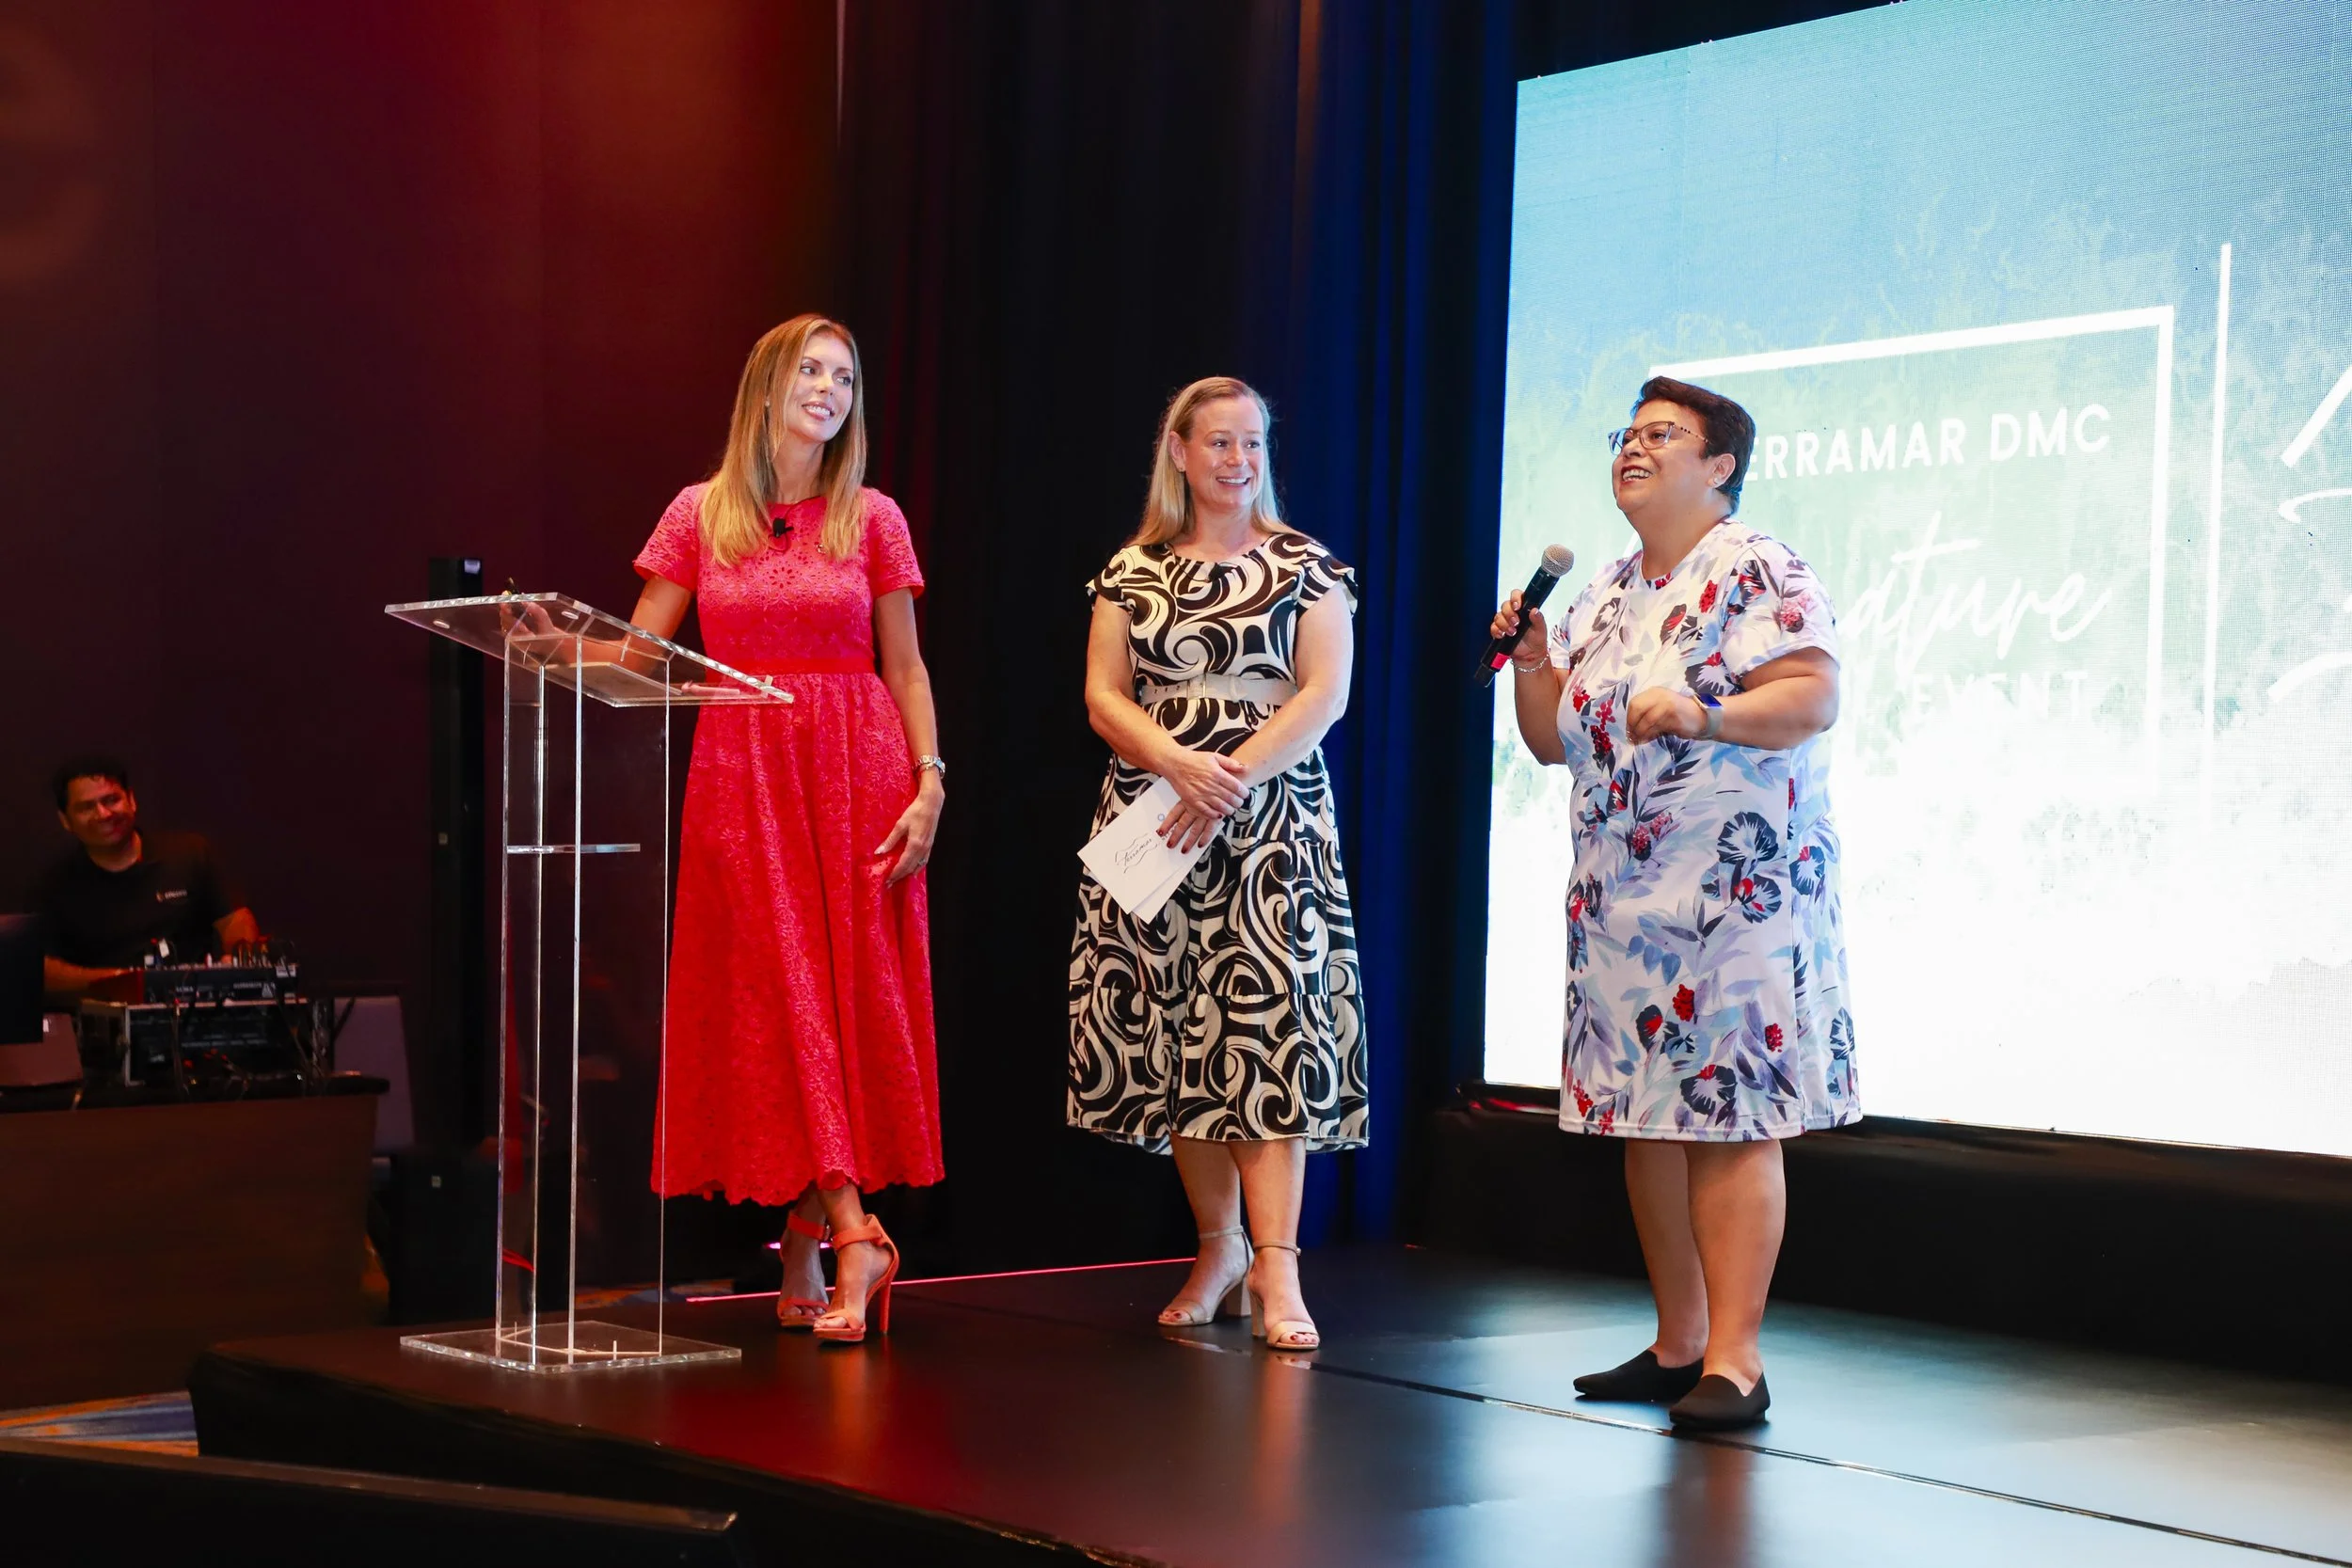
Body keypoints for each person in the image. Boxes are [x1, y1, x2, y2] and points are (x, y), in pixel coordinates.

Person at [1489, 376, 1856, 1432]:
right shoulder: (1607, 590)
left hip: (1735, 891)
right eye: (1628, 434)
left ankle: (1736, 1361)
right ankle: (1678, 1342)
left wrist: (1707, 713)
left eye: (1662, 434)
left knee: (1729, 1115)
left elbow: (1813, 695)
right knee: (1644, 1115)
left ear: (1720, 465)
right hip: (1622, 899)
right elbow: (1552, 740)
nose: (1634, 449)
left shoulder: (1756, 564)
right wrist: (1533, 663)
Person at [628, 314, 944, 1344]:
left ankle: (826, 1230)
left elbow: (906, 667)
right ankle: (845, 1230)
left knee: (837, 1002)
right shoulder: (700, 511)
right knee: (778, 996)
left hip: (855, 770)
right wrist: (546, 643)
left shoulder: (873, 516)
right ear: (765, 387)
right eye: (810, 370)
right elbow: (639, 652)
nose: (828, 389)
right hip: (741, 776)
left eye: (844, 376)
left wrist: (930, 781)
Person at [1069, 375, 1366, 1354]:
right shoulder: (1131, 570)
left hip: (1269, 819)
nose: (1239, 460)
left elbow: (1323, 693)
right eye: (1220, 442)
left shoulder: (1308, 565)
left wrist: (1225, 777)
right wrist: (1176, 764)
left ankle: (1279, 1264)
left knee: (1266, 1032)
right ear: (1181, 452)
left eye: (1253, 443)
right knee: (1181, 1037)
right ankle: (1219, 1251)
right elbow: (1104, 696)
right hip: (1155, 816)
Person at [30, 757, 261, 1000]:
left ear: (131, 800)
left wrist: (235, 961)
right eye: (86, 807)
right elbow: (43, 970)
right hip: (104, 1012)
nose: (103, 814)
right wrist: (125, 982)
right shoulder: (53, 886)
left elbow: (235, 921)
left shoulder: (189, 854)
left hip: (196, 1007)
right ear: (65, 820)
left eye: (111, 800)